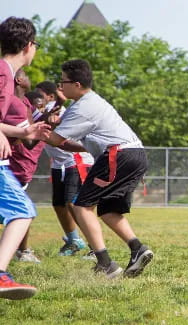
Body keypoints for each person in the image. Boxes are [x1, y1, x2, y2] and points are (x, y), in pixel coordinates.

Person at [45, 59, 153, 279]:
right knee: (108, 210)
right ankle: (137, 249)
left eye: (62, 82)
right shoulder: (90, 102)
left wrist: (36, 131)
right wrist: (56, 132)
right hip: (133, 154)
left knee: (81, 206)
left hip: (118, 155)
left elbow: (55, 140)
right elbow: (75, 144)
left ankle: (105, 264)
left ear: (76, 84)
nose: (60, 87)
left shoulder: (83, 107)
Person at [0, 16, 50, 300]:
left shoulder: (5, 72)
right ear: (29, 45)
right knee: (21, 209)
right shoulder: (4, 72)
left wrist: (25, 130)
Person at [35, 81, 93, 256]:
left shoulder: (56, 109)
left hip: (75, 160)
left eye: (40, 95)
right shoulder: (41, 112)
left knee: (73, 203)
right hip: (58, 163)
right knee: (59, 204)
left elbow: (53, 128)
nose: (37, 98)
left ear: (51, 97)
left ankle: (94, 246)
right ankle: (74, 241)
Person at [4, 69, 47, 263]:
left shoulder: (26, 103)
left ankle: (22, 251)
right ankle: (22, 252)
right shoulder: (15, 104)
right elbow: (28, 141)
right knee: (22, 209)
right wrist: (43, 129)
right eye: (27, 76)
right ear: (20, 80)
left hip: (22, 166)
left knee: (20, 209)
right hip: (12, 165)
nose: (31, 80)